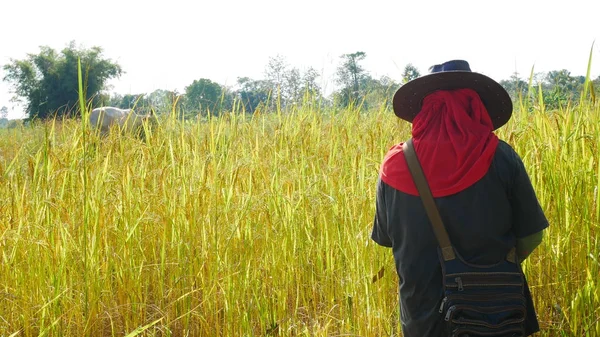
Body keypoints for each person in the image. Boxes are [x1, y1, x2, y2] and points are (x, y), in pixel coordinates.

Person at [371, 60, 548, 336]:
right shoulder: (501, 157)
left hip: (422, 318)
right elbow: (532, 236)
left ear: (423, 111)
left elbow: (387, 239)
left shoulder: (395, 165)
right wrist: (492, 269)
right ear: (474, 106)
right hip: (497, 315)